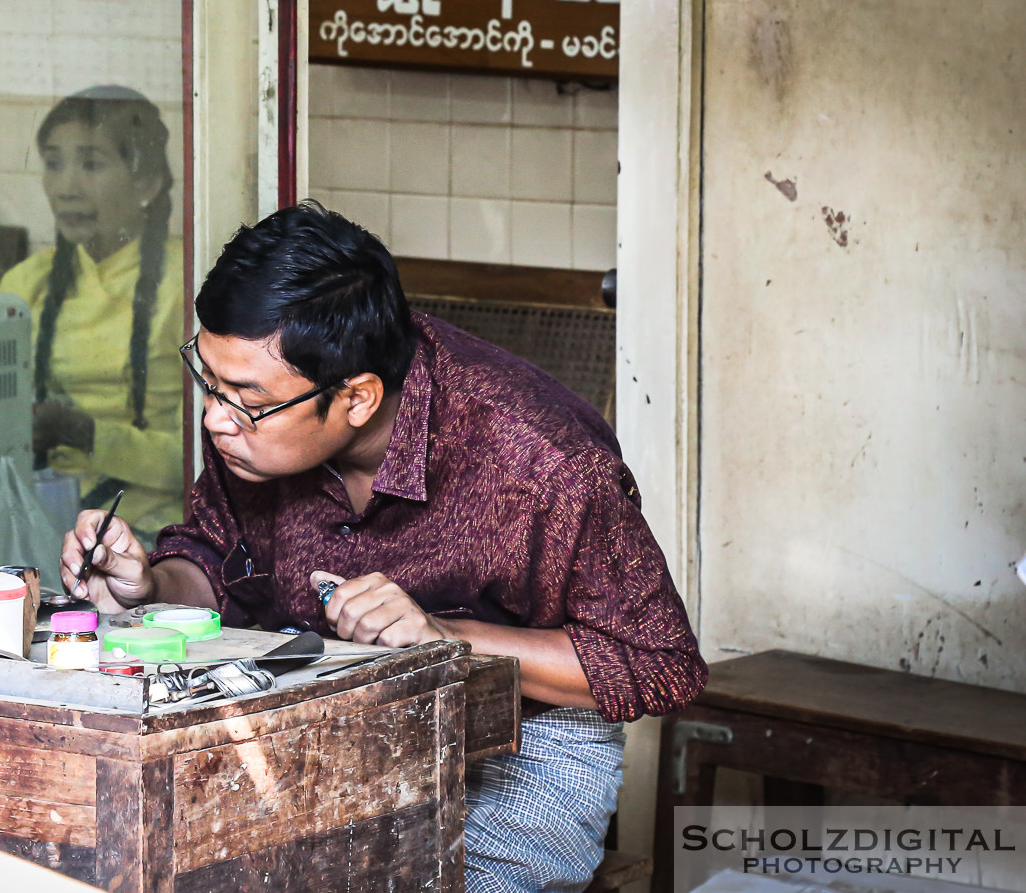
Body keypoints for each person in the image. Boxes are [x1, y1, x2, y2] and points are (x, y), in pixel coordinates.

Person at [60, 201, 707, 893]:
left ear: (358, 398)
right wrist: (153, 589)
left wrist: (447, 638)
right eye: (210, 383)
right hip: (316, 720)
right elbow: (218, 561)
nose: (217, 419)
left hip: (520, 750)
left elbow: (659, 665)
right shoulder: (257, 425)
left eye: (242, 398)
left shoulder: (540, 460)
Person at [0, 86, 185, 540]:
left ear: (145, 183)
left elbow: (200, 459)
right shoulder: (25, 285)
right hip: (37, 519)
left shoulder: (189, 283)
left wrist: (83, 432)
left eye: (91, 163)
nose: (66, 187)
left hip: (150, 527)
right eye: (54, 163)